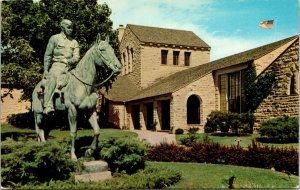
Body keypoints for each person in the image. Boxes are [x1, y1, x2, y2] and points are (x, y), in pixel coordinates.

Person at [42, 19, 80, 114]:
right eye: (68, 27)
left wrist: (68, 61)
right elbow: (48, 55)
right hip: (57, 65)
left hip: (70, 67)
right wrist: (46, 70)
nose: (71, 29)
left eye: (72, 27)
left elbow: (76, 57)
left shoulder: (74, 42)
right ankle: (48, 105)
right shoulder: (54, 38)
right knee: (53, 78)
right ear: (62, 27)